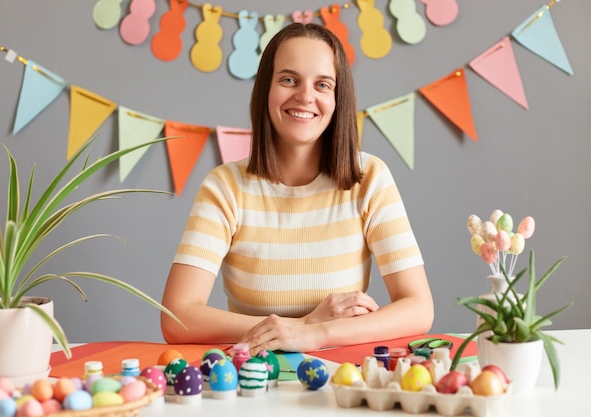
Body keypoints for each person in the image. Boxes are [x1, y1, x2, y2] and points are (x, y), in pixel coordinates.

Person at [161, 22, 433, 356]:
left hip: (342, 379)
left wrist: (316, 333)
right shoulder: (225, 187)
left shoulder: (370, 178)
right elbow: (177, 317)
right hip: (253, 378)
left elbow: (419, 308)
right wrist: (300, 326)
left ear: (337, 99)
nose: (305, 96)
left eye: (322, 84)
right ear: (266, 91)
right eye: (289, 79)